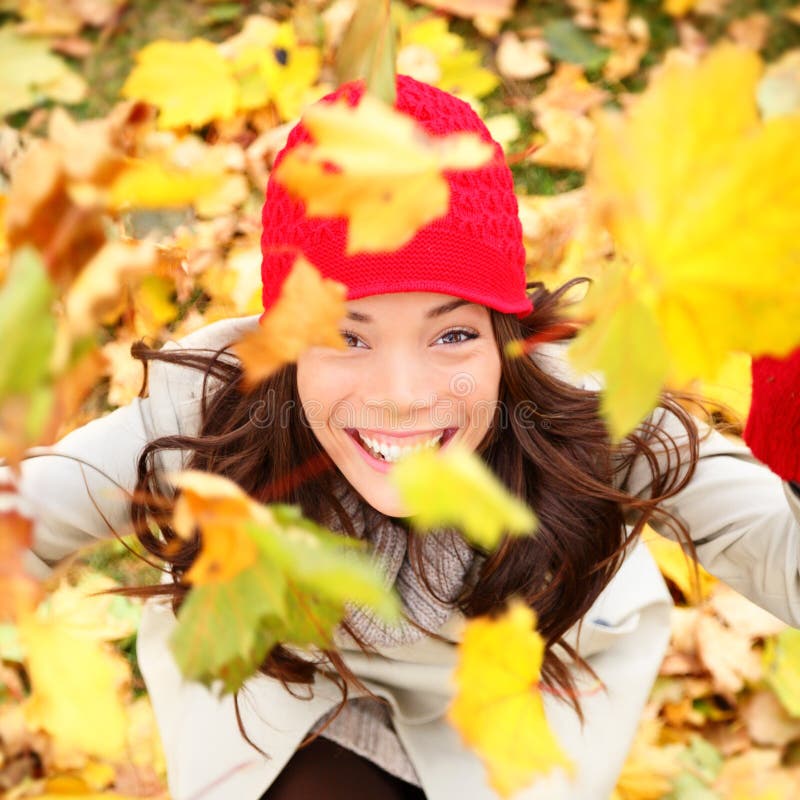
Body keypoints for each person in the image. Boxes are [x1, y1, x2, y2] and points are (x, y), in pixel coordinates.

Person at [2, 75, 800, 800]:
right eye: (348, 337)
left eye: (451, 336)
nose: (402, 396)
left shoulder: (588, 408)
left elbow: (780, 550)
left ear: (502, 333)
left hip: (524, 691)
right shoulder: (214, 416)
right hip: (292, 689)